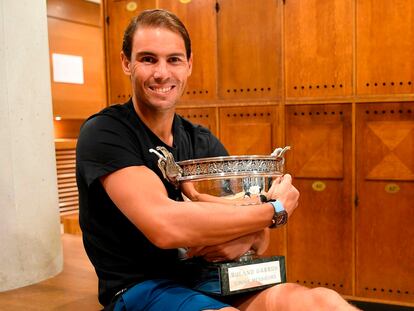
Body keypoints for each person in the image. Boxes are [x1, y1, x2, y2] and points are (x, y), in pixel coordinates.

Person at [76, 9, 359, 311]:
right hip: (141, 288)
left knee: (320, 303)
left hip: (213, 280)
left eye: (173, 59)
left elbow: (260, 240)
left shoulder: (200, 140)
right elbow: (165, 226)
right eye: (148, 59)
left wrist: (246, 233)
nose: (162, 73)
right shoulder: (105, 133)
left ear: (189, 64)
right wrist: (275, 209)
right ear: (126, 63)